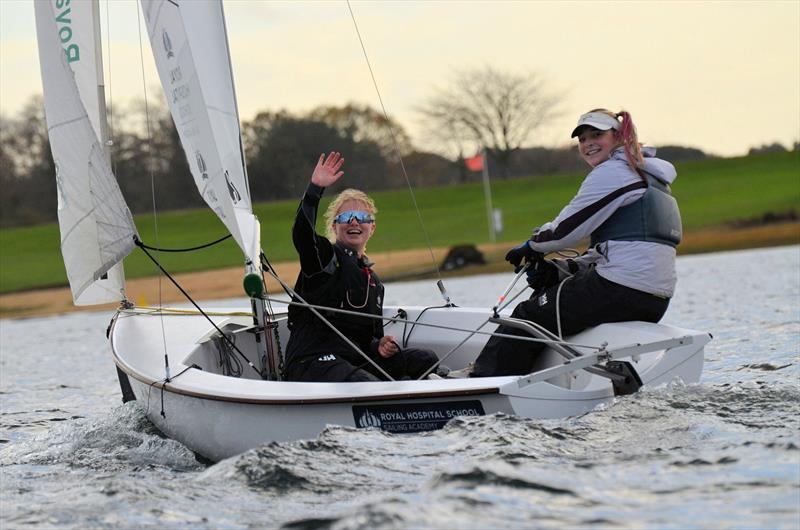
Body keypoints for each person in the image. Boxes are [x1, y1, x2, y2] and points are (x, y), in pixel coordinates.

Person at [470, 109, 682, 377]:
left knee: (528, 316)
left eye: (596, 135)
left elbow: (563, 232)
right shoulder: (649, 176)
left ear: (618, 137)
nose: (588, 143)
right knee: (549, 296)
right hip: (655, 299)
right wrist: (563, 269)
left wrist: (531, 245)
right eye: (582, 139)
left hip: (621, 289)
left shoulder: (612, 172)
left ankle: (484, 381)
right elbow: (622, 249)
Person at [284, 151, 439, 382]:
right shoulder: (324, 257)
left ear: (371, 228)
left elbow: (370, 340)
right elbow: (302, 235)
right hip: (312, 360)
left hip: (353, 361)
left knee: (426, 359)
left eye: (361, 217)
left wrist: (381, 345)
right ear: (335, 227)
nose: (354, 221)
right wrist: (315, 189)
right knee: (365, 382)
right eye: (346, 217)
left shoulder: (374, 282)